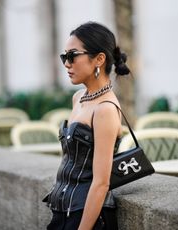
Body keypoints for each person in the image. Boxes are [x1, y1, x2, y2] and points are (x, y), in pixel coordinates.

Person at [43, 21, 130, 230]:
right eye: (64, 57)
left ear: (99, 59)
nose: (67, 64)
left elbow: (101, 182)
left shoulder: (105, 109)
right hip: (61, 211)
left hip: (87, 217)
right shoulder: (79, 97)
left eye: (72, 56)